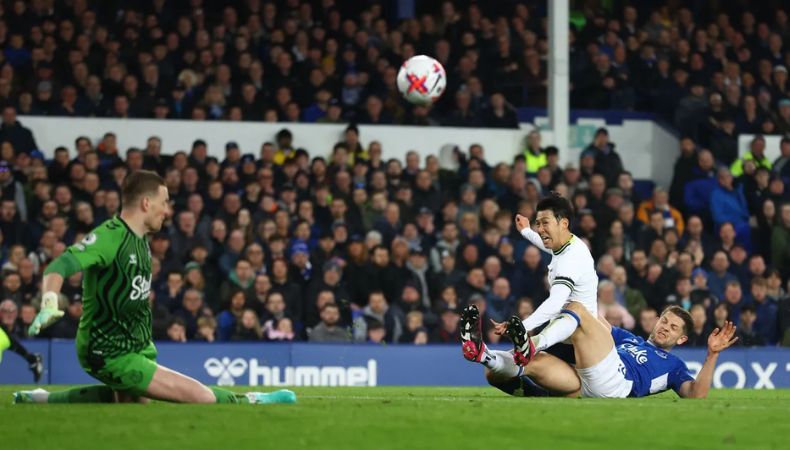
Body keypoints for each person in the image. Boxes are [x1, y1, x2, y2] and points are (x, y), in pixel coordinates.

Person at [13, 170, 295, 405]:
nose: (168, 210)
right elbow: (59, 265)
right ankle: (253, 400)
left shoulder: (141, 240)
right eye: (165, 202)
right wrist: (50, 301)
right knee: (201, 397)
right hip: (108, 351)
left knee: (134, 403)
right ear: (146, 203)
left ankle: (40, 400)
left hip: (136, 345)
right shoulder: (109, 237)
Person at [465, 303, 738, 398]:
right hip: (589, 384)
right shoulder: (630, 339)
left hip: (618, 382)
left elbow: (695, 395)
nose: (665, 327)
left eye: (674, 327)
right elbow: (600, 324)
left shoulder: (674, 364)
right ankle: (483, 354)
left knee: (578, 312)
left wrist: (712, 354)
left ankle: (530, 341)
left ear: (681, 339)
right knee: (508, 371)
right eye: (664, 320)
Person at [462, 193, 598, 371]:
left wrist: (521, 326)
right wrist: (526, 231)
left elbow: (556, 303)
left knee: (570, 312)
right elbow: (547, 245)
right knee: (509, 367)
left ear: (563, 223)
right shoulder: (566, 245)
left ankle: (530, 345)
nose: (540, 229)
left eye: (545, 223)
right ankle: (485, 356)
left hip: (581, 343)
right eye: (538, 223)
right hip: (562, 336)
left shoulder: (571, 258)